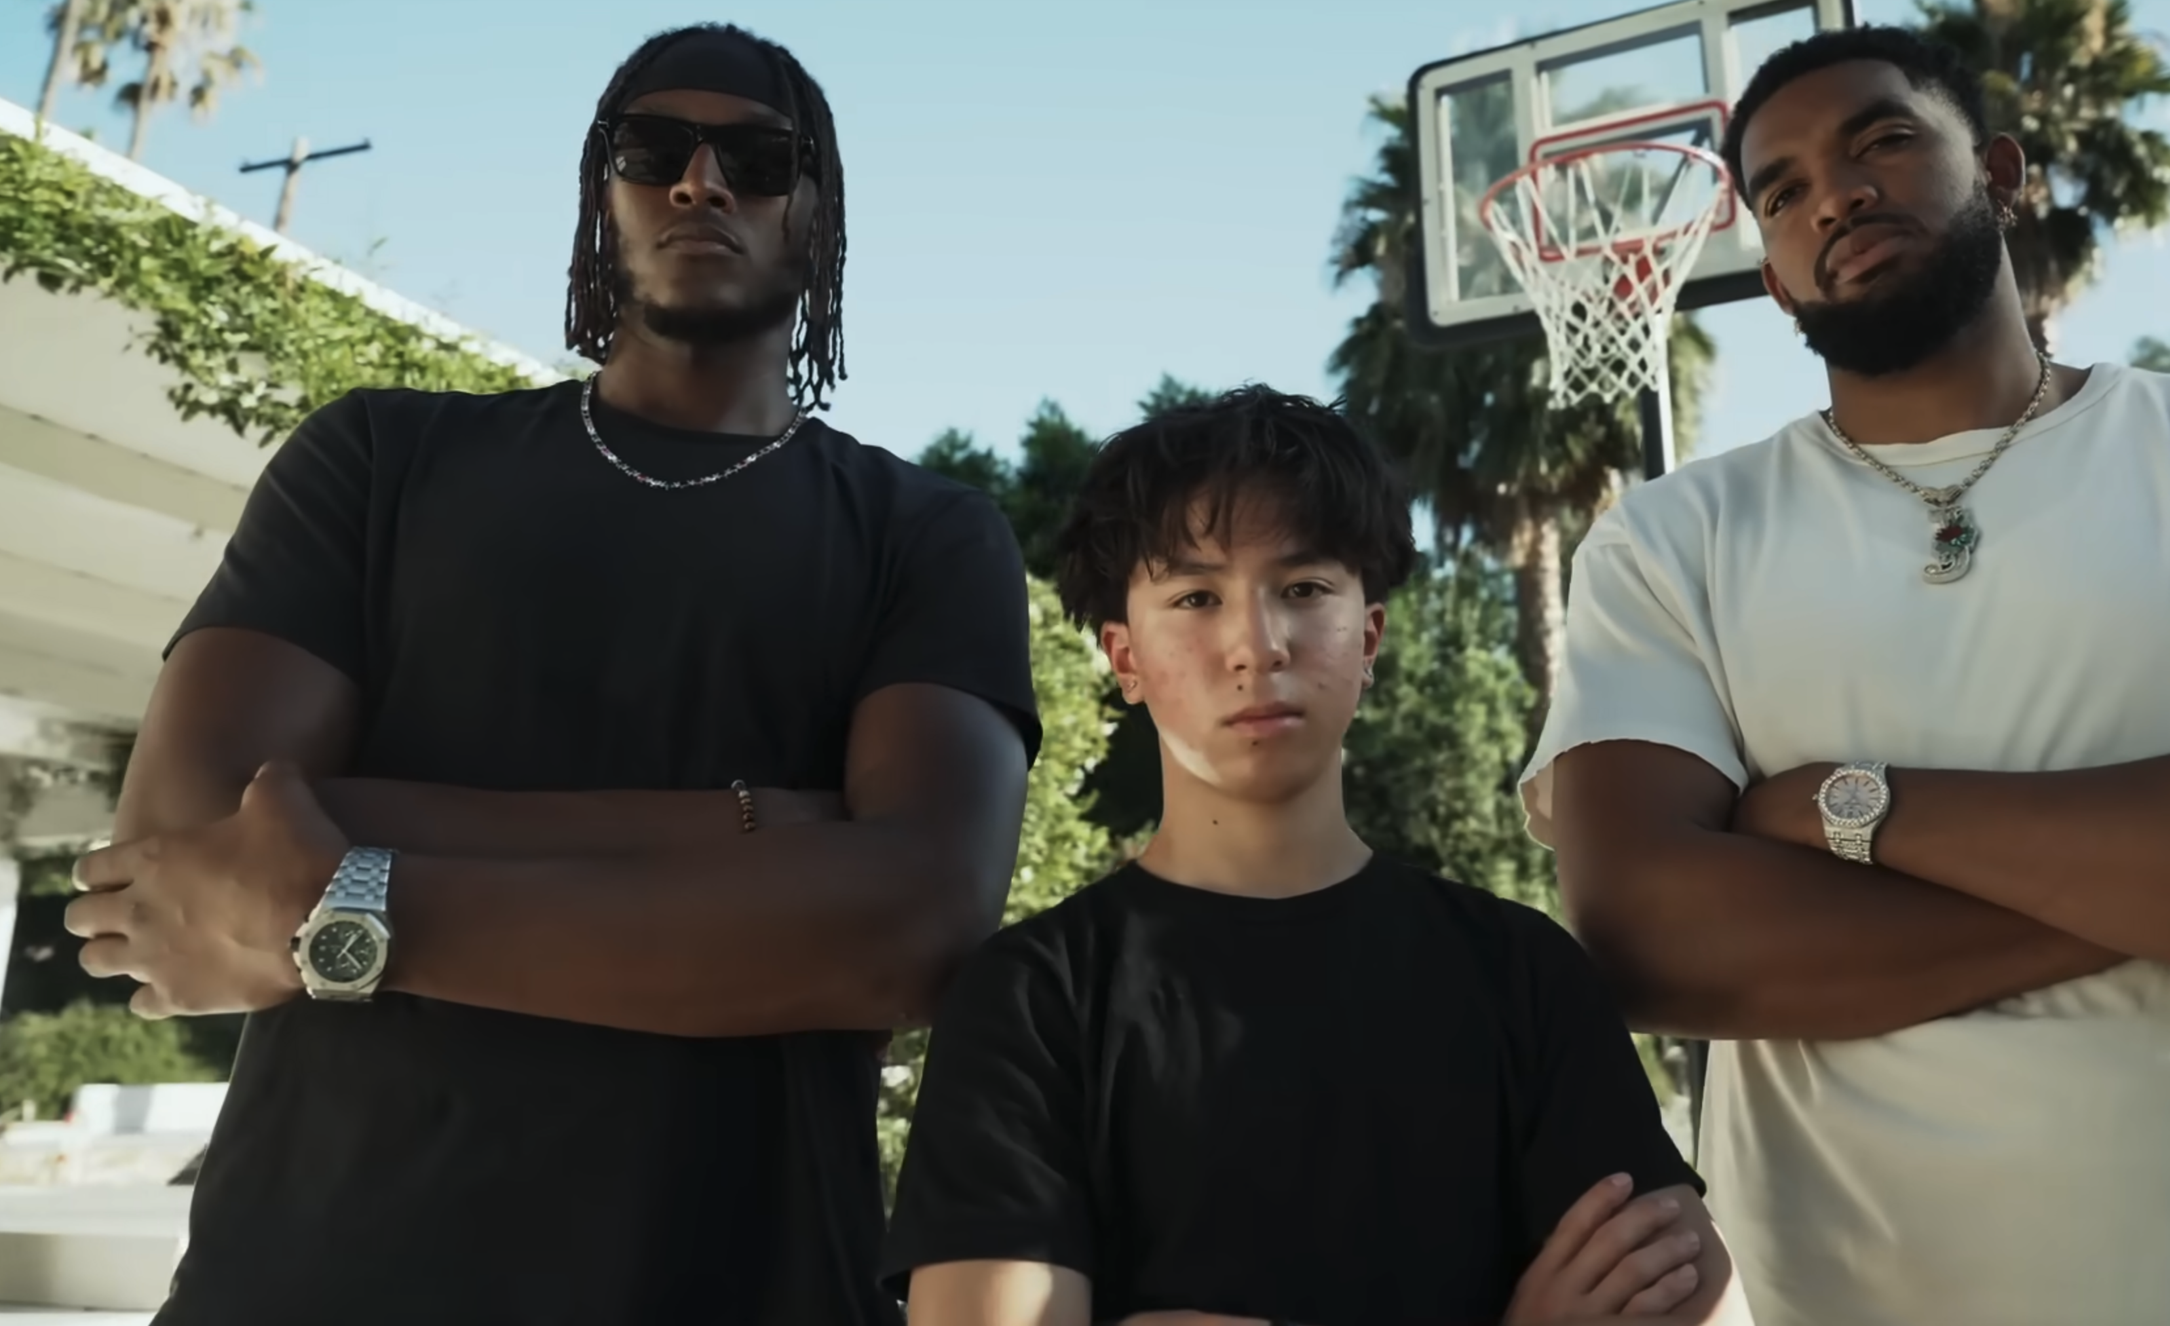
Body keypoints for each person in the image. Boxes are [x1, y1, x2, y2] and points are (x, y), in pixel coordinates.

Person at [1520, 24, 2170, 1326]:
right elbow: (1648, 933)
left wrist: (1856, 809)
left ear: (2001, 171)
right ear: (1772, 276)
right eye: (1785, 189)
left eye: (1881, 141)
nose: (1838, 194)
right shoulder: (1672, 541)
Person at [62, 24, 1038, 1326]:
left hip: (741, 1286)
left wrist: (347, 895)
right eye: (654, 149)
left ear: (820, 215)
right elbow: (184, 856)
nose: (701, 182)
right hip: (311, 1279)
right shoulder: (380, 462)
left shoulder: (924, 530)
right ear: (602, 192)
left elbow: (911, 924)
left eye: (758, 156)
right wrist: (756, 824)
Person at [879, 386, 1752, 1326]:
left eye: (1303, 590)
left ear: (1368, 636)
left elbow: (1694, 1304)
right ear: (1124, 659)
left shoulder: (1523, 974)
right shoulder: (1035, 1001)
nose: (1257, 646)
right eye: (1196, 597)